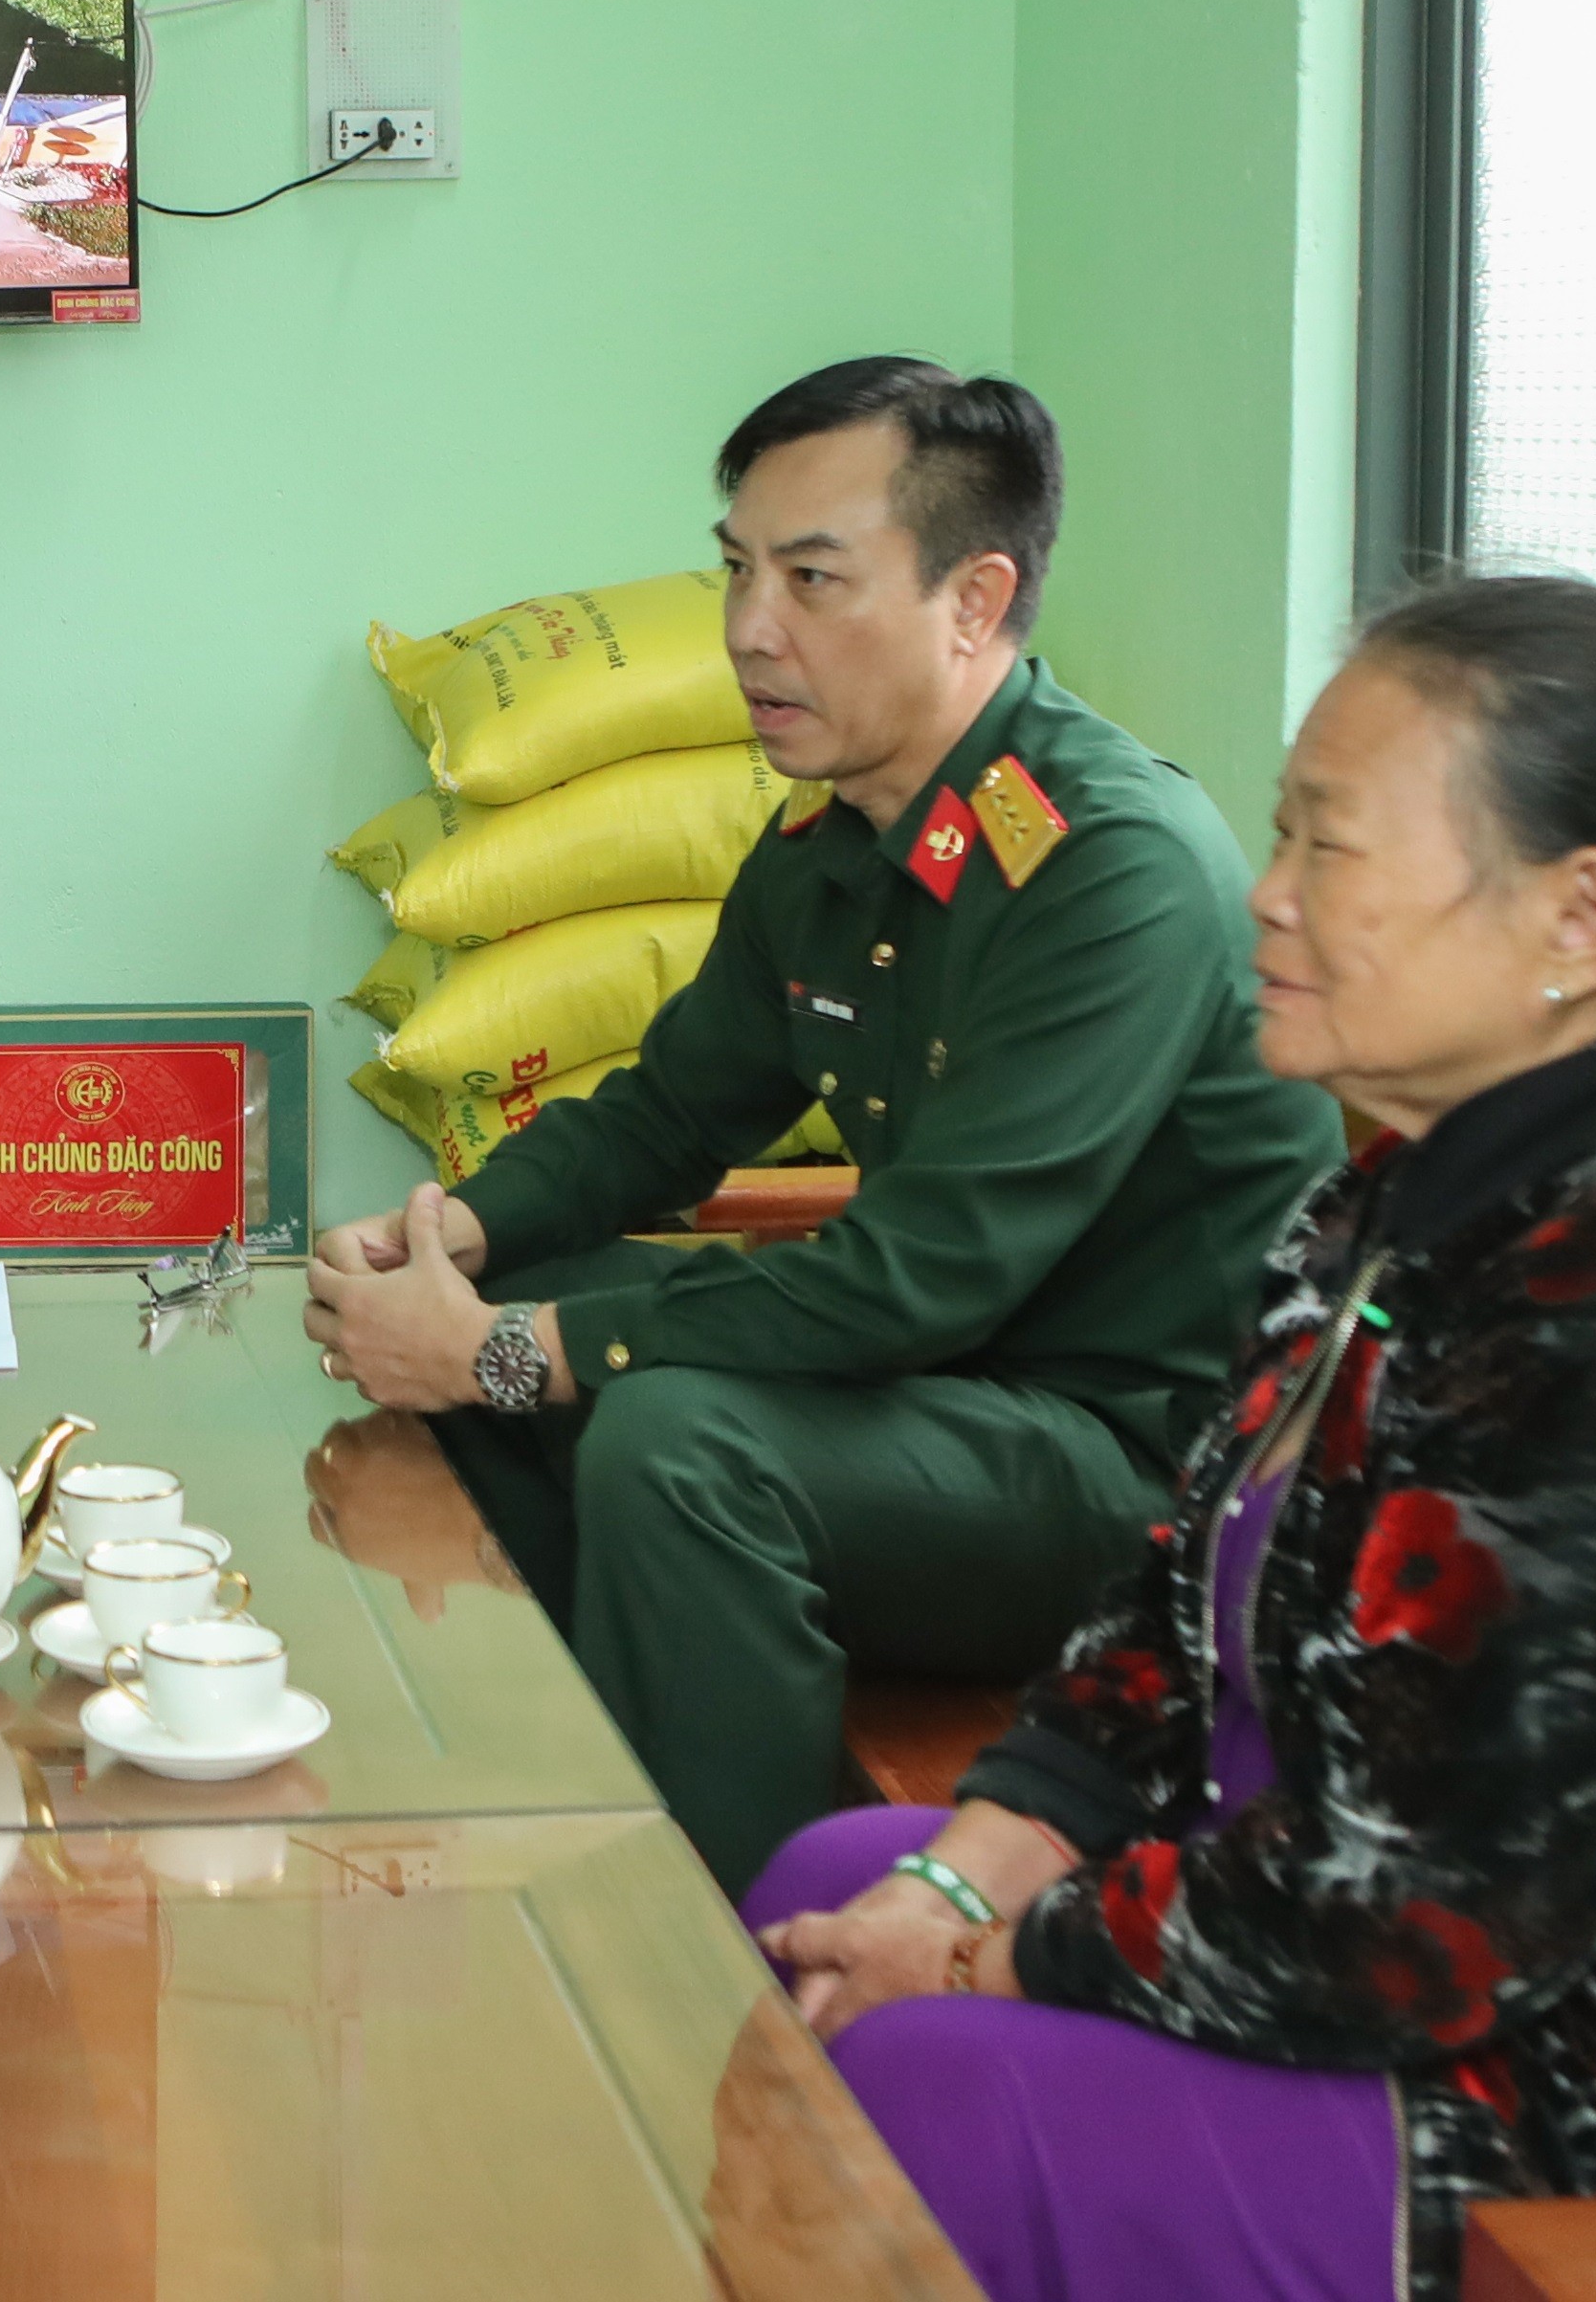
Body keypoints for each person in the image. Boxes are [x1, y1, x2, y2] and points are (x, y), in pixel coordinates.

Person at [742, 576, 1596, 2302]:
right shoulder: (1404, 1204)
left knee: (922, 2076)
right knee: (838, 1882)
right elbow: (1168, 1611)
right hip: (1387, 1937)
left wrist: (986, 1961)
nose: (1267, 894)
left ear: (1579, 918)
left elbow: (1418, 1915)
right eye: (1283, 831)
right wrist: (972, 1877)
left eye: (1330, 846)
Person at [304, 359, 1340, 1893]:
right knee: (537, 1290)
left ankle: (725, 1947)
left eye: (810, 578)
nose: (747, 628)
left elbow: (915, 1281)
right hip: (950, 1400)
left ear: (974, 600)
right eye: (737, 568)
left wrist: (504, 1348)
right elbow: (668, 1112)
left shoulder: (1108, 865)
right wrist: (448, 1236)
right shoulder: (832, 832)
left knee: (674, 1440)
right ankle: (574, 1799)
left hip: (1140, 1472)